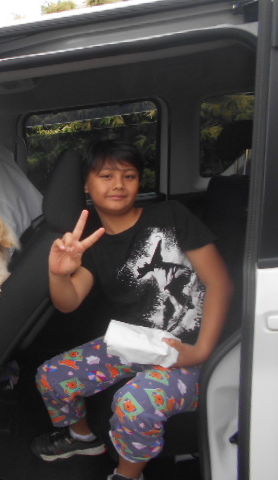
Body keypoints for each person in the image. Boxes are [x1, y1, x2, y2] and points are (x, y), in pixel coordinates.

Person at [30, 140, 233, 480]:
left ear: (140, 182)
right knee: (52, 377)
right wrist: (58, 273)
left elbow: (220, 284)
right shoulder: (91, 241)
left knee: (133, 403)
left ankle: (127, 475)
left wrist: (201, 351)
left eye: (129, 176)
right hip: (136, 342)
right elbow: (69, 302)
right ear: (86, 185)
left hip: (189, 349)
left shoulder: (170, 216)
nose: (119, 185)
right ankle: (83, 437)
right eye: (106, 176)